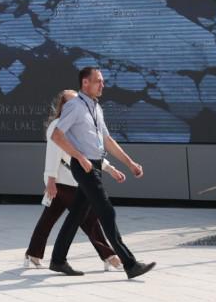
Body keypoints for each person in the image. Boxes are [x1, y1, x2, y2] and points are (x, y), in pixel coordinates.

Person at [49, 65, 156, 280]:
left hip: (95, 164)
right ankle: (130, 264)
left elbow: (107, 140)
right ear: (85, 83)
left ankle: (58, 260)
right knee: (107, 212)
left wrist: (130, 163)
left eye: (102, 81)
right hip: (84, 167)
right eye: (98, 81)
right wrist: (80, 157)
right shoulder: (75, 106)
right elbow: (57, 136)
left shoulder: (96, 107)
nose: (102, 85)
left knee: (77, 214)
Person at [24, 89, 118, 271]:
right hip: (64, 180)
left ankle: (33, 254)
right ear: (64, 106)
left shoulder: (78, 126)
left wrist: (109, 168)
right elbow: (53, 154)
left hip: (75, 179)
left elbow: (89, 154)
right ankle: (109, 256)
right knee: (88, 218)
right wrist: (50, 180)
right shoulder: (57, 125)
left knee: (48, 218)